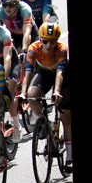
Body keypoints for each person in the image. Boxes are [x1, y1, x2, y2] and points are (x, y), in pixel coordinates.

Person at [21, 22, 72, 169]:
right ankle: (44, 122)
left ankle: (69, 157)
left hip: (62, 76)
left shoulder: (62, 49)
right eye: (45, 41)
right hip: (44, 72)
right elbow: (29, 72)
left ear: (57, 41)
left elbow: (60, 72)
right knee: (32, 94)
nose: (48, 45)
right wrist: (23, 92)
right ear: (40, 40)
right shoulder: (34, 48)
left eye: (52, 42)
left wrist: (56, 91)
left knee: (65, 116)